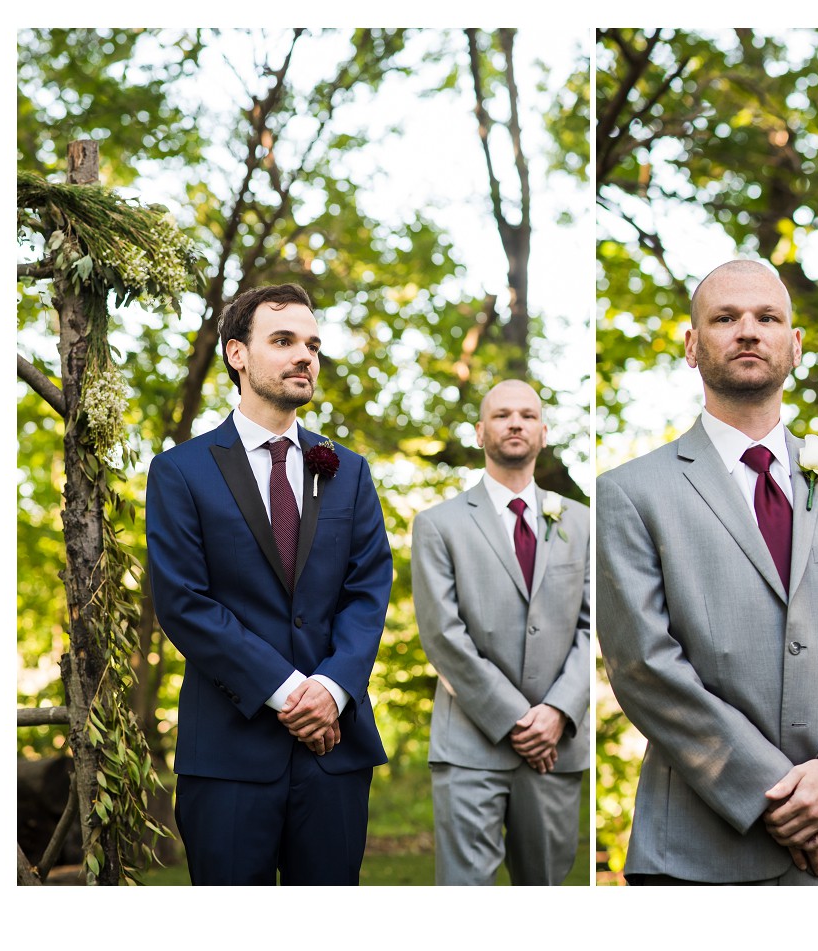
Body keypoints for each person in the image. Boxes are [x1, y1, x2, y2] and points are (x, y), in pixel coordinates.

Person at [596, 259, 818, 885]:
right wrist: (775, 792)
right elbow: (644, 665)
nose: (748, 330)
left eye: (767, 317)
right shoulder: (632, 492)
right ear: (693, 347)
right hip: (698, 845)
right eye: (725, 318)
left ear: (794, 345)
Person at [146, 283, 391, 884]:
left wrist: (332, 689)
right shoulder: (180, 471)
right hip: (229, 751)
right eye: (282, 341)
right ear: (237, 354)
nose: (303, 356)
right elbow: (184, 603)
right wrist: (288, 693)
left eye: (311, 344)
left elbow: (368, 590)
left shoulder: (349, 471)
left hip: (334, 751)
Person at [413, 380, 590, 885]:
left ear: (543, 431)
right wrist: (518, 720)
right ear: (479, 431)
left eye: (528, 415)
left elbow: (591, 627)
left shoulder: (582, 521)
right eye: (502, 415)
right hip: (470, 744)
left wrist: (556, 713)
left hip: (556, 748)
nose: (516, 423)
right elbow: (443, 635)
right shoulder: (438, 524)